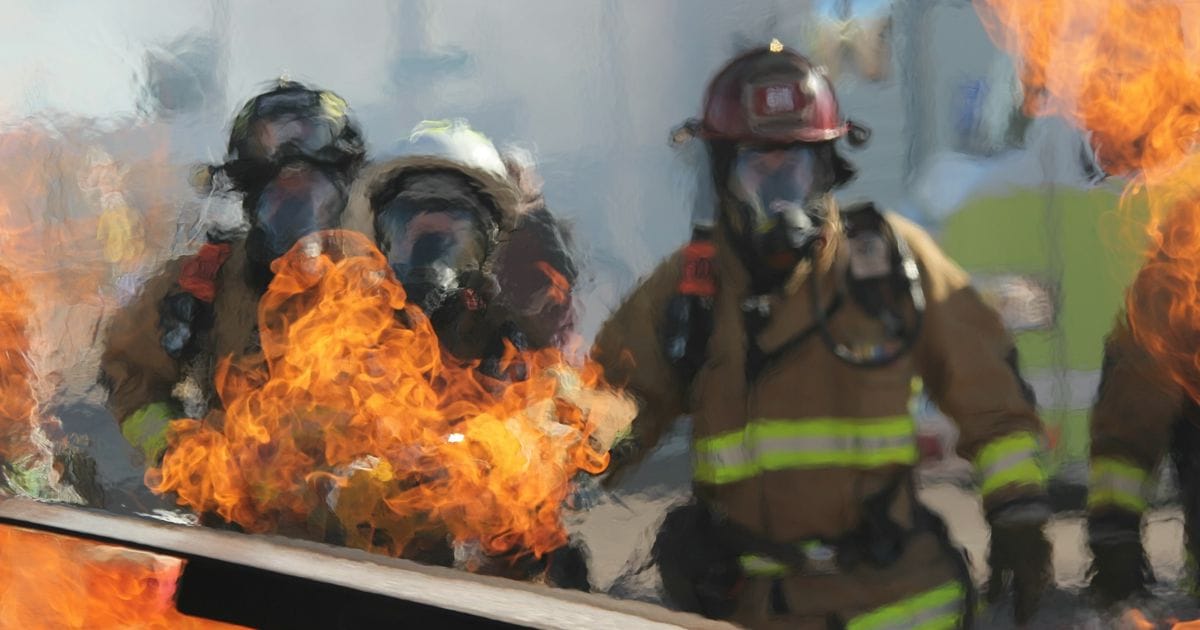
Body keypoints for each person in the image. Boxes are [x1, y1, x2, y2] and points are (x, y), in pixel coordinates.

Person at [589, 41, 1053, 628]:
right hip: (760, 609)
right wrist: (547, 465)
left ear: (829, 169)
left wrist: (1018, 516)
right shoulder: (690, 291)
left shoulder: (890, 265)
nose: (780, 191)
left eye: (798, 167)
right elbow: (613, 402)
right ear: (723, 174)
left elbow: (993, 397)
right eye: (759, 168)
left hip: (902, 605)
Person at [339, 119, 592, 587]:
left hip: (481, 595)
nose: (431, 254)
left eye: (452, 235)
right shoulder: (340, 343)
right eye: (412, 228)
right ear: (382, 241)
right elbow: (298, 449)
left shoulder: (516, 350)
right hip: (364, 585)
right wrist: (351, 484)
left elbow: (580, 426)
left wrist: (491, 452)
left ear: (488, 247)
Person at [99, 79, 366, 464]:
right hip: (231, 494)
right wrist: (181, 453)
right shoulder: (201, 282)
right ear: (247, 191)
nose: (297, 206)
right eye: (276, 187)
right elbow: (128, 374)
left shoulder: (379, 290)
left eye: (311, 184)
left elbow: (430, 405)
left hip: (351, 498)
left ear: (343, 185)